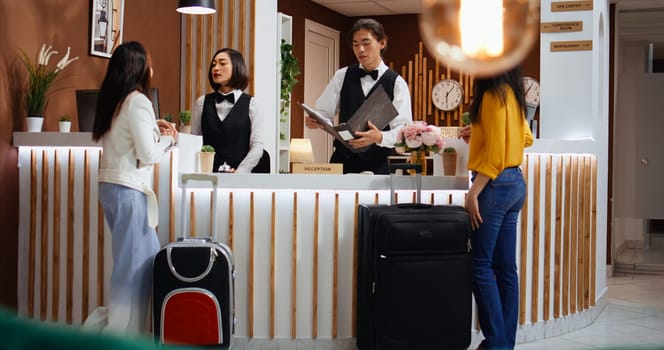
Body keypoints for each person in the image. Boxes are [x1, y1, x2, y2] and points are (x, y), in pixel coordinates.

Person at [89, 41, 177, 336]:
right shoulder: (138, 101)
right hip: (129, 193)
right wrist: (170, 140)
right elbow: (149, 154)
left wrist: (153, 126)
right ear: (139, 67)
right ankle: (113, 338)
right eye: (149, 61)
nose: (152, 67)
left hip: (113, 190)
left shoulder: (114, 102)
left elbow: (130, 139)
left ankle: (122, 334)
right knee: (131, 274)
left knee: (141, 264)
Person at [462, 66, 533, 350]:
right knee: (506, 269)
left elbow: (493, 156)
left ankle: (497, 343)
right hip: (516, 183)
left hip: (493, 185)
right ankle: (504, 344)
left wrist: (473, 193)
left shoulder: (492, 95)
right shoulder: (513, 94)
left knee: (479, 265)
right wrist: (479, 131)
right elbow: (526, 138)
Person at [304, 18, 412, 174]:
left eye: (366, 43)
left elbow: (403, 130)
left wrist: (379, 137)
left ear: (382, 43)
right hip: (342, 163)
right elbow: (324, 112)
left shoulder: (396, 83)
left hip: (378, 166)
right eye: (355, 44)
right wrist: (315, 120)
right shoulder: (342, 75)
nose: (360, 49)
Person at [191, 48, 268, 173]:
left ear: (237, 67)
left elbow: (257, 146)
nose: (216, 68)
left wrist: (240, 171)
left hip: (240, 178)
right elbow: (194, 142)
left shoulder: (253, 105)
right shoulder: (201, 102)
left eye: (222, 63)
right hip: (207, 176)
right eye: (214, 64)